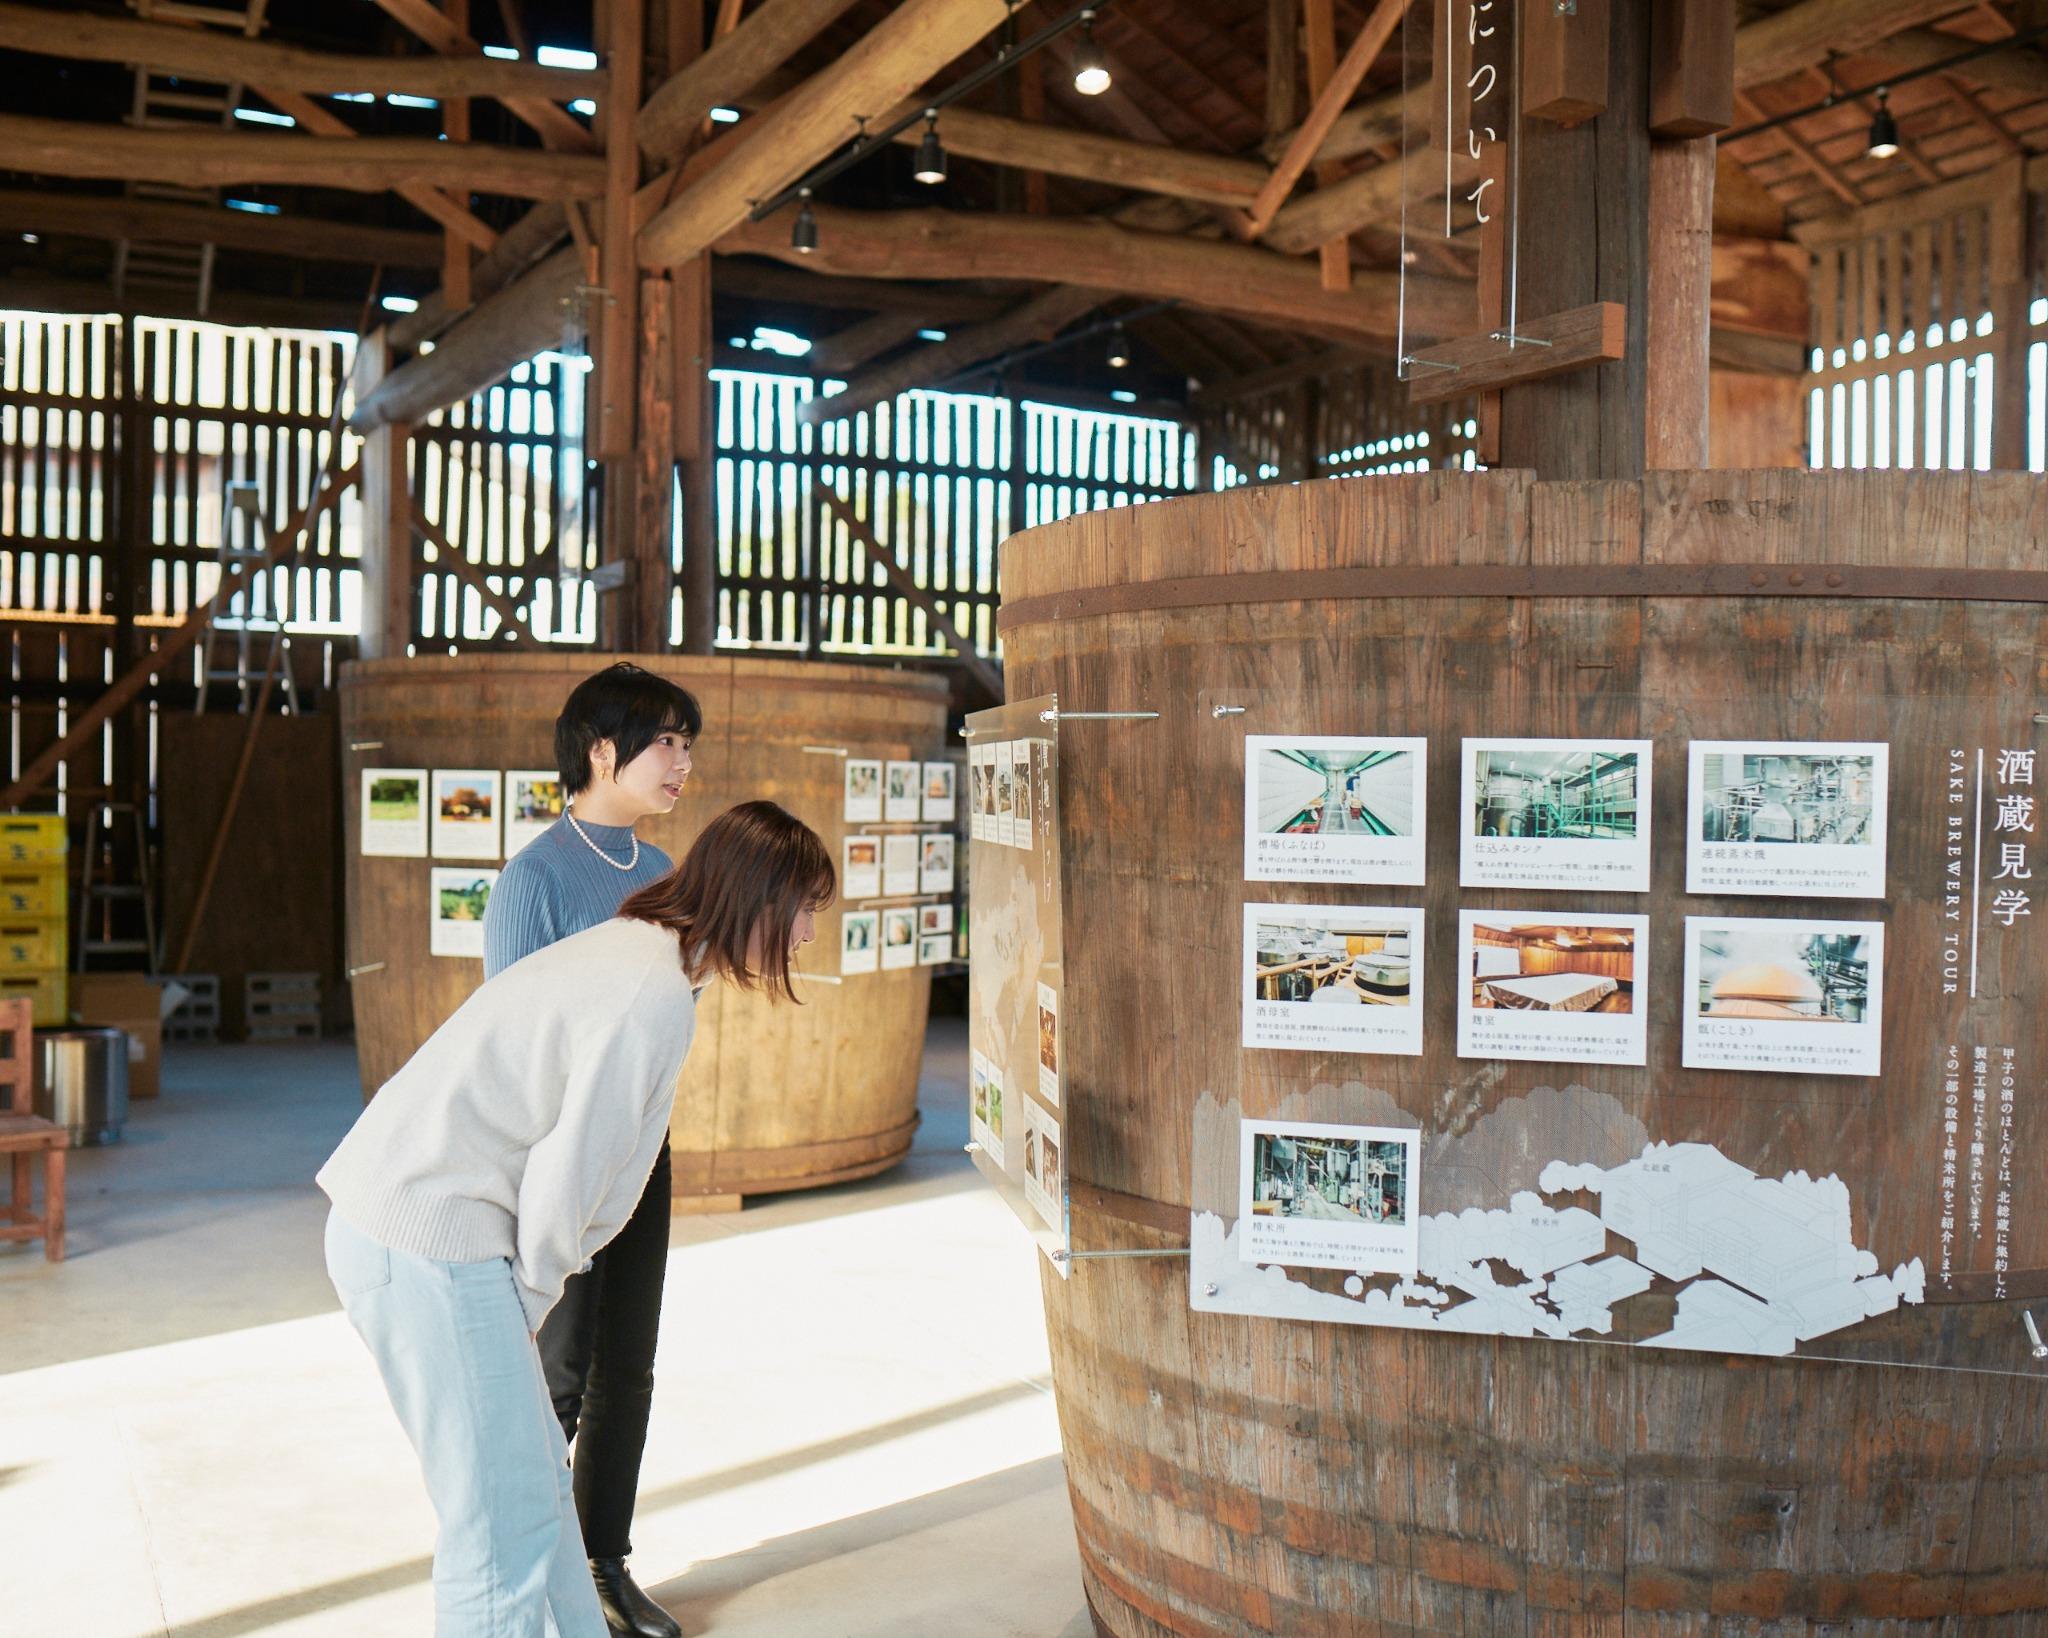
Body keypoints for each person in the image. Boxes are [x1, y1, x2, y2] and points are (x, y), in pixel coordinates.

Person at [319, 801, 834, 1638]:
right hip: (427, 1239)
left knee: (538, 1500)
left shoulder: (650, 957)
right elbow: (571, 1175)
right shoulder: (649, 990)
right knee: (501, 1527)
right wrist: (528, 1303)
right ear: (760, 898)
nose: (810, 933)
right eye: (807, 907)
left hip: (420, 1228)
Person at [482, 662, 699, 1638]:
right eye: (666, 742)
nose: (682, 762)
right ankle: (522, 1578)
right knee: (558, 1374)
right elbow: (511, 1042)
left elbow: (670, 1014)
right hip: (557, 1160)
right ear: (602, 752)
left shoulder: (663, 877)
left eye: (687, 744)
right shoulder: (532, 879)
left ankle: (602, 1565)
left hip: (642, 1147)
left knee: (630, 1366)